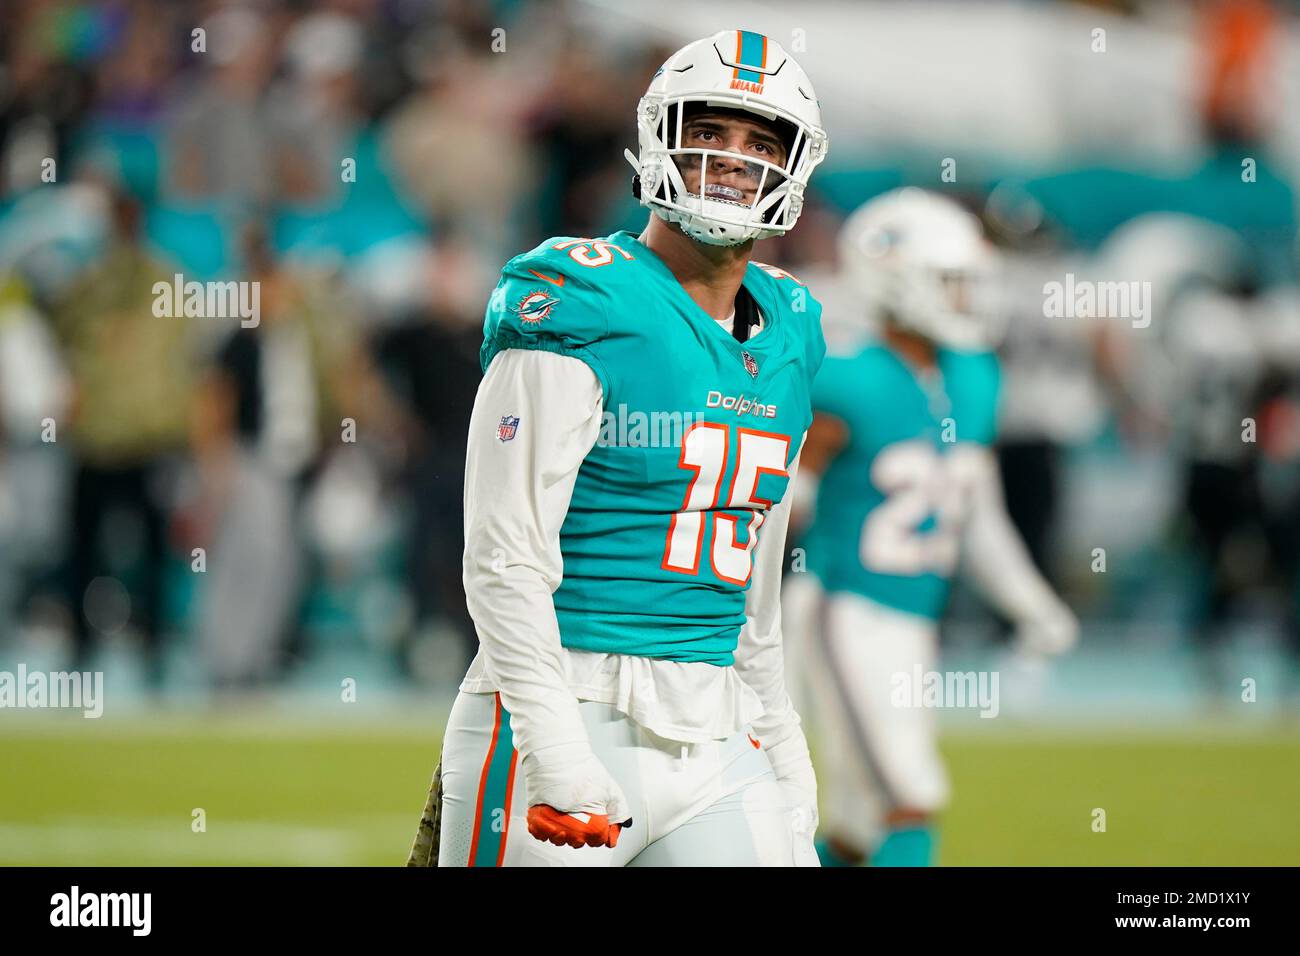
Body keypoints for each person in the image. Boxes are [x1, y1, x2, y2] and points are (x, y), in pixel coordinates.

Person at [408, 30, 830, 866]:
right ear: (657, 138)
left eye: (757, 142)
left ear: (794, 167)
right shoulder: (584, 293)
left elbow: (753, 581)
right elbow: (503, 556)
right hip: (561, 702)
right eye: (707, 132)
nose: (731, 160)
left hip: (715, 727)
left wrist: (780, 737)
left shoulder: (791, 328)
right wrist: (556, 749)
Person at [784, 188, 1078, 867]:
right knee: (910, 794)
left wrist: (1031, 603)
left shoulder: (973, 377)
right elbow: (777, 509)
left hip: (914, 620)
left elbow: (978, 516)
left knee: (858, 831)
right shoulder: (847, 380)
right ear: (896, 280)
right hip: (842, 607)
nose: (969, 297)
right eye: (952, 282)